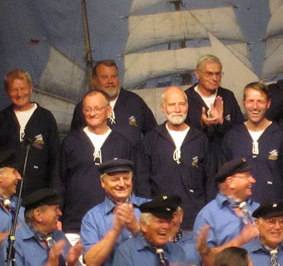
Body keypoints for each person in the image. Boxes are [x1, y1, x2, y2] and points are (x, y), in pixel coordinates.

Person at [57, 90, 136, 236]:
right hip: (75, 223)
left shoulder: (122, 143)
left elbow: (132, 184)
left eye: (97, 109)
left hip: (114, 223)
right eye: (88, 109)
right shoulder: (70, 142)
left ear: (108, 110)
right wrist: (57, 216)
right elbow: (59, 181)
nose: (92, 114)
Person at [135, 87, 214, 229]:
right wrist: (148, 214)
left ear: (187, 106)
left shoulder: (200, 139)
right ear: (162, 108)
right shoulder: (151, 139)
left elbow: (210, 180)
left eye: (181, 104)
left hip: (195, 219)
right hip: (160, 219)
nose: (177, 109)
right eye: (172, 105)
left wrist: (209, 215)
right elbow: (142, 181)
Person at [222, 82, 283, 216]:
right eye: (250, 101)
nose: (255, 106)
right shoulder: (232, 137)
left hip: (273, 214)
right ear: (244, 103)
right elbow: (223, 179)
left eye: (260, 101)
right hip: (239, 215)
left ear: (268, 104)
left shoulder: (281, 136)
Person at [192, 157, 260, 266]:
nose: (253, 180)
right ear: (231, 182)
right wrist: (240, 241)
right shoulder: (208, 215)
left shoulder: (258, 209)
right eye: (247, 176)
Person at [0, 68, 58, 198]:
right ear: (7, 92)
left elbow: (55, 159)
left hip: (39, 194)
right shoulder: (2, 119)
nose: (19, 94)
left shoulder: (46, 118)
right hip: (6, 195)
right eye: (14, 90)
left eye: (23, 89)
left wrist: (53, 194)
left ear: (31, 88)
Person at [71, 60, 156, 144]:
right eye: (105, 77)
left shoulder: (135, 103)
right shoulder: (84, 108)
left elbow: (154, 137)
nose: (110, 81)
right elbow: (74, 141)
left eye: (114, 76)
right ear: (94, 80)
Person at [184, 53, 244, 159]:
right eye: (209, 74)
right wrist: (201, 124)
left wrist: (222, 122)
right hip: (196, 158)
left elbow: (241, 131)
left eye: (218, 74)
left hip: (225, 159)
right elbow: (180, 134)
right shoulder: (186, 98)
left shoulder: (228, 96)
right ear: (197, 74)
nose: (214, 78)